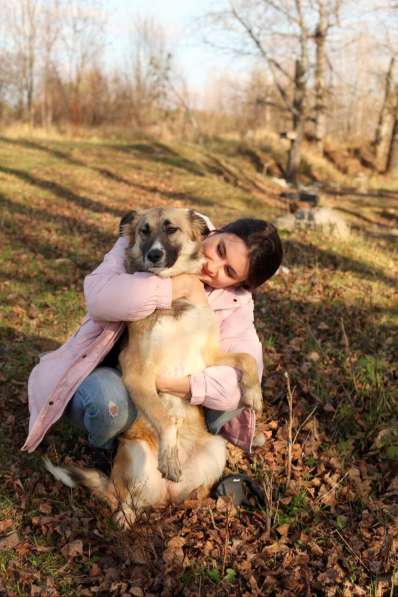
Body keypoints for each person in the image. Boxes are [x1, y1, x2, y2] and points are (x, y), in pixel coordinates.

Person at [22, 212, 283, 466]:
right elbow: (100, 300)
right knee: (107, 404)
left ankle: (185, 444)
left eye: (229, 272)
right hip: (108, 367)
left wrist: (164, 383)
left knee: (234, 392)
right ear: (215, 231)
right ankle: (107, 447)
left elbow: (238, 382)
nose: (213, 266)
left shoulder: (237, 301)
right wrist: (180, 287)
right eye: (220, 250)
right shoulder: (151, 232)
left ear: (240, 284)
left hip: (164, 379)